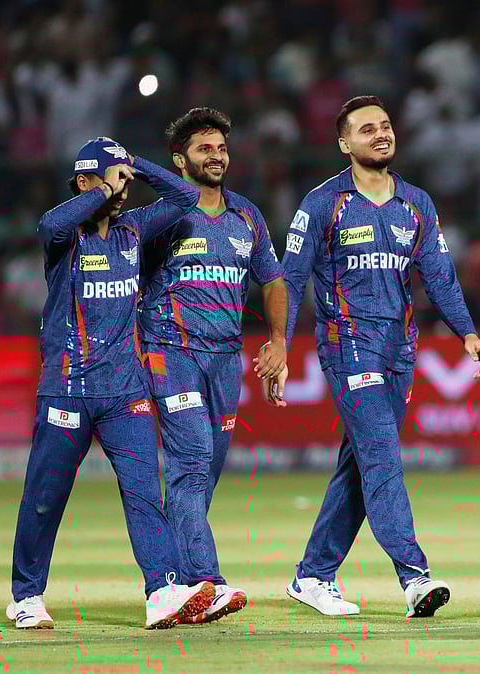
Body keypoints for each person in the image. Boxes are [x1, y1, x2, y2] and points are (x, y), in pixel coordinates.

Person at [268, 95, 480, 619]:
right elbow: (290, 277)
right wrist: (280, 343)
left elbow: (439, 274)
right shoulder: (322, 203)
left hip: (399, 351)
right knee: (382, 454)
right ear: (344, 144)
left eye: (386, 126)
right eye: (367, 129)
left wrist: (467, 332)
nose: (381, 134)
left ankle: (312, 575)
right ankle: (414, 577)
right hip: (347, 344)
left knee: (360, 462)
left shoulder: (417, 203)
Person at [9, 137, 214, 630]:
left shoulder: (133, 229)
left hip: (126, 393)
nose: (122, 188)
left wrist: (135, 165)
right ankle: (26, 595)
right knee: (45, 495)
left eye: (124, 179)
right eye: (110, 177)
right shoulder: (65, 238)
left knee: (144, 491)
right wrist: (102, 190)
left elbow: (187, 198)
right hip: (68, 389)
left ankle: (162, 590)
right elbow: (49, 223)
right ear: (83, 183)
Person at [138, 108, 289, 624]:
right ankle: (208, 580)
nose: (218, 156)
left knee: (204, 471)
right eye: (205, 149)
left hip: (225, 360)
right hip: (171, 352)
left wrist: (278, 341)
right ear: (179, 161)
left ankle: (175, 584)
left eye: (222, 147)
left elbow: (272, 281)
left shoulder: (247, 216)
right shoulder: (164, 216)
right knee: (193, 460)